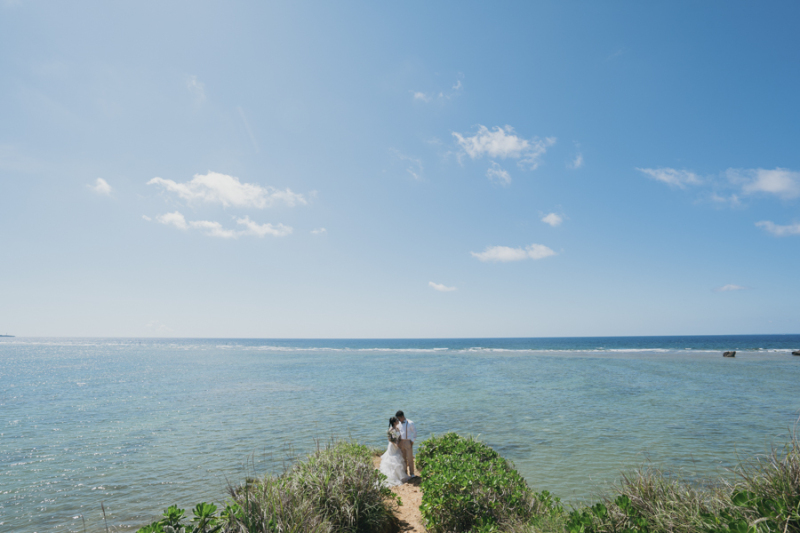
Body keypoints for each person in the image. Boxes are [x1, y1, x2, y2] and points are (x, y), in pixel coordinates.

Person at [379, 416, 410, 486]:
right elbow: (390, 439)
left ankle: (400, 476)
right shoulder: (391, 429)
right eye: (396, 420)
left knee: (399, 459)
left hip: (398, 445)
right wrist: (395, 444)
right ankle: (394, 477)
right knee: (393, 459)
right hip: (393, 446)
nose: (398, 421)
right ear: (394, 422)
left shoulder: (397, 428)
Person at [396, 410, 417, 478]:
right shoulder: (398, 424)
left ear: (402, 416)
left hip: (408, 441)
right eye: (398, 419)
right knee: (403, 459)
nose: (399, 420)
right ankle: (405, 473)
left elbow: (415, 432)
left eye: (399, 418)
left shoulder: (410, 422)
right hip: (401, 442)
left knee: (410, 458)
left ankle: (412, 473)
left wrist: (412, 441)